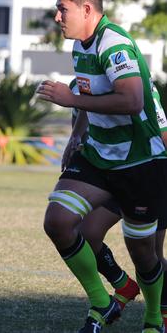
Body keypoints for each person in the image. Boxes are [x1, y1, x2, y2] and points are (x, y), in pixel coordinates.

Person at [37, 0, 167, 333]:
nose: (57, 17)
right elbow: (85, 95)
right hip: (98, 155)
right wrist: (76, 135)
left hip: (140, 160)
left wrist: (70, 99)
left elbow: (133, 100)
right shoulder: (81, 46)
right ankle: (102, 299)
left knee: (145, 253)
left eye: (63, 9)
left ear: (87, 9)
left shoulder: (114, 44)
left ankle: (155, 319)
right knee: (58, 222)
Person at [64, 81, 167, 326]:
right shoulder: (81, 84)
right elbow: (84, 112)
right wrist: (76, 137)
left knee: (150, 253)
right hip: (109, 170)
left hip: (148, 171)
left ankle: (160, 313)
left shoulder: (138, 86)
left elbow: (161, 129)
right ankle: (123, 285)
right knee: (87, 233)